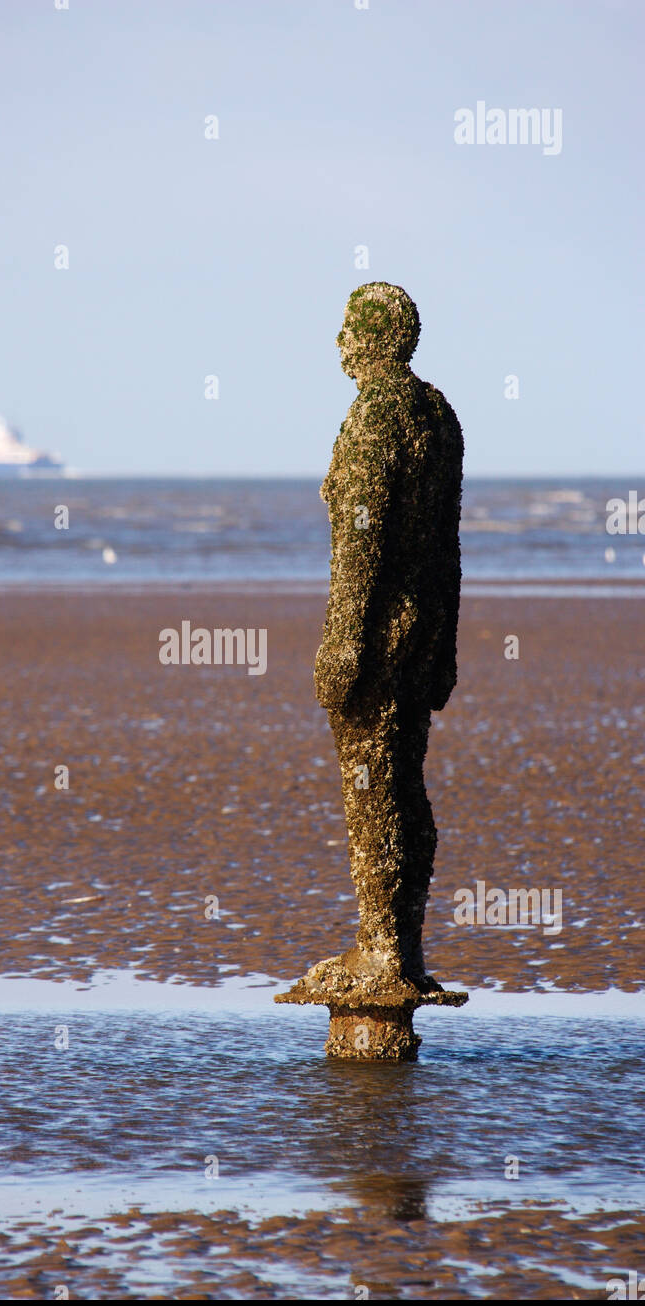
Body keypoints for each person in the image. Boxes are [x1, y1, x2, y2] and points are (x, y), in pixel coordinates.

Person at [313, 282, 464, 992]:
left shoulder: (376, 410)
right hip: (425, 625)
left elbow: (362, 531)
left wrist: (344, 638)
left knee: (372, 784)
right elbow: (447, 543)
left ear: (370, 337)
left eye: (346, 329)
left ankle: (381, 949)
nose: (338, 342)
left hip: (381, 631)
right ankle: (404, 945)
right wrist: (448, 645)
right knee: (405, 781)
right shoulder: (439, 414)